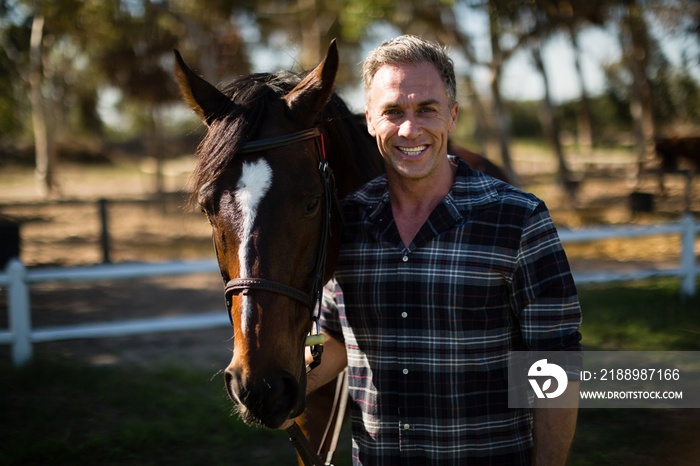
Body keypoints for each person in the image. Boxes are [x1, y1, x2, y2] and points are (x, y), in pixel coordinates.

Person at [306, 35, 582, 466]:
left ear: (452, 116)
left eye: (426, 110)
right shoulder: (348, 222)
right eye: (393, 111)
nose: (409, 129)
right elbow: (335, 342)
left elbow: (555, 365)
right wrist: (281, 378)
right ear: (370, 122)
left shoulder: (518, 220)